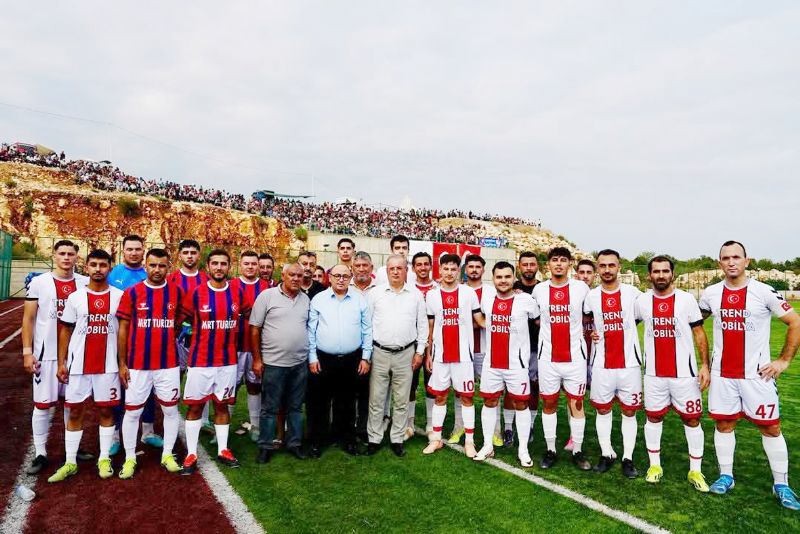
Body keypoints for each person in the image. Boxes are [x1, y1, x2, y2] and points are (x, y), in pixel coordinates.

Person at [699, 241, 800, 509]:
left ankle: (781, 484)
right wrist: (704, 364)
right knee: (724, 424)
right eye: (725, 258)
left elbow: (795, 322)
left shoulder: (764, 291)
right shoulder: (710, 293)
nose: (731, 262)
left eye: (736, 257)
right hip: (722, 375)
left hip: (757, 376)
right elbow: (694, 324)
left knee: (771, 427)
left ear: (747, 261)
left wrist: (783, 361)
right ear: (719, 263)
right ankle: (726, 476)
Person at [48, 249, 124, 482]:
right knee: (75, 411)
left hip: (108, 366)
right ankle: (70, 462)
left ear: (110, 267)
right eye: (94, 264)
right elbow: (65, 330)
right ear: (87, 267)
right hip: (78, 366)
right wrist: (61, 362)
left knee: (106, 411)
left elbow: (124, 332)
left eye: (103, 265)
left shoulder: (120, 296)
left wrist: (123, 363)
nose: (98, 269)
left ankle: (104, 458)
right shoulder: (75, 297)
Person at [635, 255, 710, 491]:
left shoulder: (686, 300)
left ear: (672, 274)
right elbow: (628, 327)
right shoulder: (642, 301)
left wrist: (705, 365)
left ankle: (695, 470)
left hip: (684, 375)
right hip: (654, 374)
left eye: (665, 271)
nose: (661, 275)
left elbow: (699, 333)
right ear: (649, 275)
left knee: (692, 419)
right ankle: (654, 466)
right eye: (656, 271)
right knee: (653, 418)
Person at [22, 240, 90, 475]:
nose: (66, 257)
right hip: (46, 355)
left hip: (76, 356)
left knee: (73, 405)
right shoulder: (39, 283)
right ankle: (40, 453)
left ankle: (73, 449)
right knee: (42, 406)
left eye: (71, 253)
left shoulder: (85, 283)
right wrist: (27, 352)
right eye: (62, 253)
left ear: (77, 257)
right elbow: (28, 318)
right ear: (54, 256)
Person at [181, 249, 251, 474]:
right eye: (215, 263)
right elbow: (181, 319)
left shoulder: (237, 293)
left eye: (223, 263)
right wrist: (188, 334)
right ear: (208, 266)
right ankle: (191, 453)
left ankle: (223, 449)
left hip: (227, 362)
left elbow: (250, 315)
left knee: (222, 405)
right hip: (200, 361)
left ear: (229, 267)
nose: (219, 267)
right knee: (195, 406)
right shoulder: (197, 293)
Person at [116, 248, 184, 478]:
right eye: (153, 265)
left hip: (168, 364)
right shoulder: (132, 293)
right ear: (146, 266)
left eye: (162, 266)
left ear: (169, 267)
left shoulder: (176, 292)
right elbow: (123, 329)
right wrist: (122, 363)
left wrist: (168, 335)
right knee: (132, 412)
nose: (157, 270)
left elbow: (180, 319)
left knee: (170, 410)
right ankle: (130, 458)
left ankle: (167, 454)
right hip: (138, 365)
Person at [583, 249, 643, 479]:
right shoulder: (591, 297)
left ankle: (628, 458)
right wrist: (593, 332)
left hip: (629, 364)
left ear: (619, 267)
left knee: (629, 411)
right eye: (603, 265)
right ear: (598, 268)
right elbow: (586, 319)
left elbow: (641, 316)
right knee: (603, 409)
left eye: (611, 265)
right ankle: (606, 453)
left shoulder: (633, 293)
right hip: (601, 364)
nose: (607, 270)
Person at [473, 262, 540, 467]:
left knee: (521, 404)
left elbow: (540, 322)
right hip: (492, 363)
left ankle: (523, 450)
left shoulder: (526, 300)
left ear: (514, 278)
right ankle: (487, 445)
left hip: (516, 365)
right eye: (499, 277)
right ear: (493, 279)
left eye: (507, 277)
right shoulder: (487, 299)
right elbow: (481, 321)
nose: (503, 281)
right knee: (489, 402)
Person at [533, 247, 592, 471]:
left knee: (577, 403)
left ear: (570, 264)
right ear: (548, 264)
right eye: (555, 260)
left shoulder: (581, 288)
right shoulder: (539, 290)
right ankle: (551, 450)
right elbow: (535, 318)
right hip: (548, 358)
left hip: (575, 358)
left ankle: (577, 451)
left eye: (563, 260)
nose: (558, 264)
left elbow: (591, 315)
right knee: (549, 403)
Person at [307, 264, 372, 457]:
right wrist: (312, 357)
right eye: (337, 276)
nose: (341, 279)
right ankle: (317, 441)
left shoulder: (359, 300)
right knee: (320, 402)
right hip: (323, 359)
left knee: (347, 401)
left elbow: (367, 330)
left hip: (352, 359)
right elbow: (311, 331)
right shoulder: (319, 299)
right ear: (330, 277)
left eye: (345, 276)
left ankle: (347, 439)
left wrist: (366, 357)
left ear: (350, 277)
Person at [366, 255, 428, 457]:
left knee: (401, 400)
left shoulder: (416, 295)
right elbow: (367, 325)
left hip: (406, 354)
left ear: (406, 270)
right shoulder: (375, 294)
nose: (395, 271)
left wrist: (419, 352)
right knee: (376, 399)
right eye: (391, 268)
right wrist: (367, 353)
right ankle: (374, 438)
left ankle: (397, 439)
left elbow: (422, 325)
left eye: (399, 268)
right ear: (387, 270)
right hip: (379, 352)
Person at [249, 263, 310, 464]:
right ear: (283, 275)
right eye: (292, 274)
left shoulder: (305, 299)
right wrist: (257, 359)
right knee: (269, 407)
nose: (296, 278)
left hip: (299, 363)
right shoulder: (267, 296)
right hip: (274, 363)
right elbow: (255, 329)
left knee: (295, 407)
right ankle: (265, 446)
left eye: (299, 275)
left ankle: (294, 444)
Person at [422, 254, 482, 458]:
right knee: (440, 396)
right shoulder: (432, 295)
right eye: (445, 268)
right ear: (440, 270)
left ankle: (470, 441)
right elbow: (431, 327)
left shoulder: (468, 293)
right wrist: (429, 354)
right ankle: (436, 439)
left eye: (453, 269)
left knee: (466, 397)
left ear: (459, 271)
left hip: (463, 356)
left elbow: (480, 320)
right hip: (440, 356)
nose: (449, 273)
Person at [108, 234, 162, 453]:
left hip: (145, 343)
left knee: (148, 388)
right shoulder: (113, 274)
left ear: (143, 250)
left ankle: (148, 432)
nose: (133, 253)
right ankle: (115, 435)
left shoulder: (150, 273)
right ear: (123, 250)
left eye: (138, 249)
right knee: (118, 388)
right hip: (117, 339)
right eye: (129, 249)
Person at [449, 254, 495, 446]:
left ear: (483, 269)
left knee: (491, 391)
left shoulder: (491, 291)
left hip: (486, 349)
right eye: (471, 266)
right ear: (465, 269)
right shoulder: (457, 290)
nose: (474, 270)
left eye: (478, 266)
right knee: (460, 391)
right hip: (462, 350)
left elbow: (491, 318)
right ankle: (458, 427)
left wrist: (469, 322)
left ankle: (494, 431)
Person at [230, 251, 272, 441]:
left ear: (258, 266)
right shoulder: (230, 285)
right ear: (240, 264)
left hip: (257, 347)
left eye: (253, 264)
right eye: (246, 263)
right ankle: (224, 427)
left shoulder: (266, 288)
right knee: (231, 388)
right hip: (233, 347)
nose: (250, 267)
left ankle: (255, 426)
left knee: (254, 386)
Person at [565, 258, 597, 452]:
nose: (585, 276)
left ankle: (603, 436)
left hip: (597, 356)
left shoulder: (598, 296)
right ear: (576, 274)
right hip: (575, 355)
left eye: (589, 273)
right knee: (574, 398)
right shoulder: (571, 296)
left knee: (601, 400)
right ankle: (573, 436)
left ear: (594, 275)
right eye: (581, 272)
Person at [509, 251, 540, 448]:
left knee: (534, 387)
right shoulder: (510, 287)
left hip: (536, 346)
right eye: (525, 264)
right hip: (514, 347)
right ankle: (508, 426)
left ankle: (530, 425)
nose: (528, 268)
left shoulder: (543, 289)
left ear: (537, 266)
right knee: (510, 388)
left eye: (532, 264)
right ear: (519, 266)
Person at [405, 252, 438, 438]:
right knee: (410, 385)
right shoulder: (408, 289)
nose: (423, 267)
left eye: (426, 264)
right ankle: (409, 424)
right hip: (412, 343)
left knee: (431, 384)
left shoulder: (438, 288)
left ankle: (431, 424)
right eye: (419, 264)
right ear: (413, 268)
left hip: (433, 343)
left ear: (431, 266)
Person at [350, 251, 377, 442]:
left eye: (364, 265)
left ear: (371, 268)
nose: (361, 269)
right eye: (357, 266)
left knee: (368, 391)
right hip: (349, 346)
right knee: (348, 390)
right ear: (352, 268)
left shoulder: (380, 288)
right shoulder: (345, 286)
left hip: (372, 346)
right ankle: (347, 427)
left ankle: (363, 428)